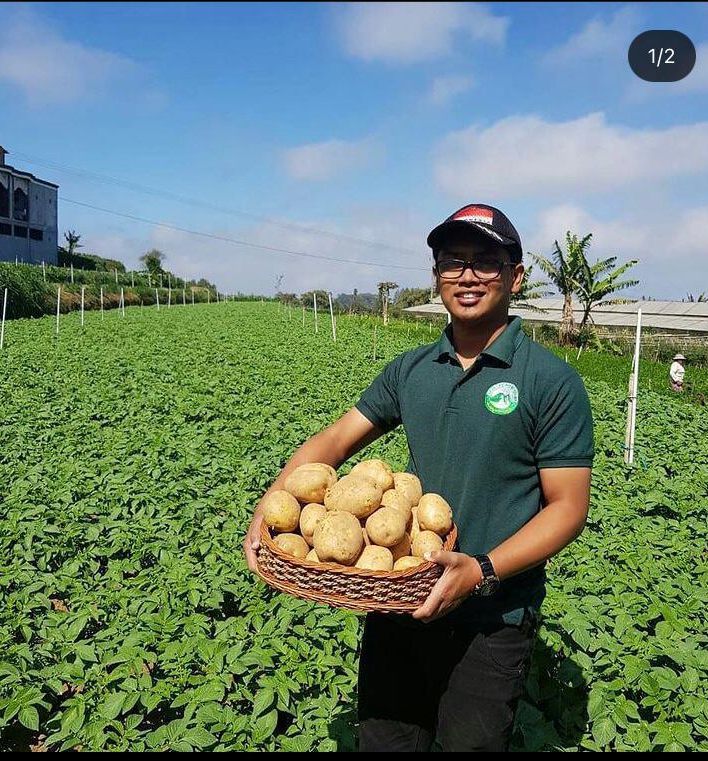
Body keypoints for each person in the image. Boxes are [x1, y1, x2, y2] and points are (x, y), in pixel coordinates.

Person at [243, 203, 594, 752]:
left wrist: (480, 571)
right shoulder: (411, 370)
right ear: (436, 276)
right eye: (453, 261)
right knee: (385, 743)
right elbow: (333, 443)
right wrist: (271, 504)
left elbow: (568, 508)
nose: (468, 275)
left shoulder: (551, 382)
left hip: (492, 617)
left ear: (515, 276)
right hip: (401, 597)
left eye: (486, 261)